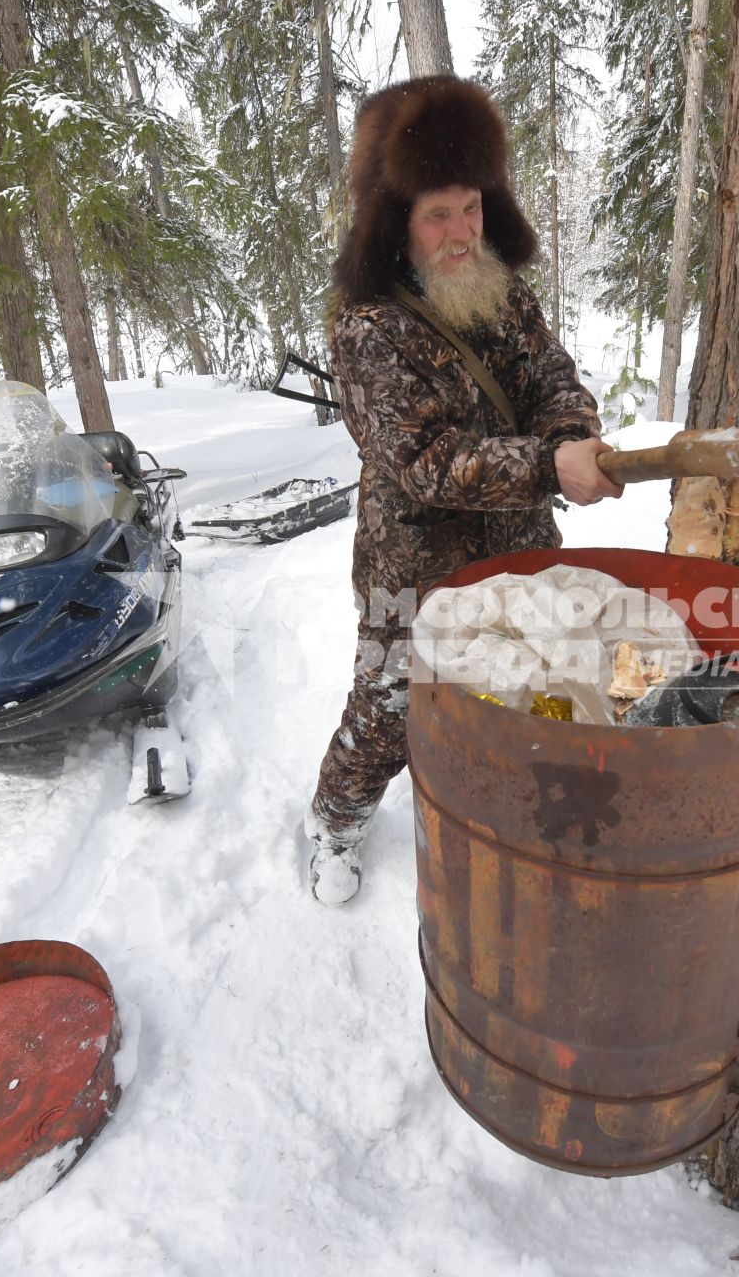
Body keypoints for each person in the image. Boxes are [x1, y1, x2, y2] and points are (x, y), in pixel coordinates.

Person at [303, 76, 623, 904]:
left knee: (526, 683)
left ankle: (508, 817)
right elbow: (422, 463)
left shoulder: (500, 286)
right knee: (388, 706)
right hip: (418, 565)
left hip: (519, 548)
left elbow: (550, 374)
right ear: (395, 218)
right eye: (437, 213)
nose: (460, 232)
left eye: (471, 207)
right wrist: (550, 468)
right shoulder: (366, 324)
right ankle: (335, 824)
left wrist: (569, 433)